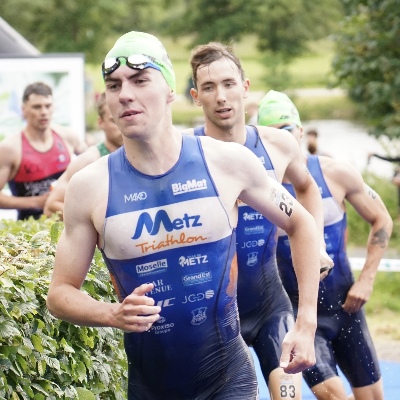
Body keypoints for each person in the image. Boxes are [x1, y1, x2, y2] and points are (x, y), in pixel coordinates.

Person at [46, 31, 322, 400]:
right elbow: (59, 294)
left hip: (229, 381)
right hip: (150, 386)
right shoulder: (89, 187)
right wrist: (112, 314)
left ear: (170, 90)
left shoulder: (227, 162)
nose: (125, 93)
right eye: (114, 85)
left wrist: (305, 322)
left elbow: (301, 222)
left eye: (140, 80)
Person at [185, 42, 333, 400]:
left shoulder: (278, 145)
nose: (221, 96)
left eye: (228, 84)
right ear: (196, 97)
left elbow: (307, 188)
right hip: (212, 316)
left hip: (269, 307)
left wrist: (318, 245)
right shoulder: (184, 153)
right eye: (209, 87)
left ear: (245, 87)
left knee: (289, 396)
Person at [258, 90, 393, 400]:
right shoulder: (259, 187)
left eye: (287, 131)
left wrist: (367, 280)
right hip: (300, 317)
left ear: (300, 131)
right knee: (332, 396)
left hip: (346, 308)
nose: (284, 141)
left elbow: (382, 220)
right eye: (274, 135)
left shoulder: (335, 173)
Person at [0, 81, 86, 220]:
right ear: (23, 109)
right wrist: (35, 202)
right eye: (37, 107)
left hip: (65, 221)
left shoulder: (68, 136)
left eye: (48, 106)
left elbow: (94, 167)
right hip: (30, 226)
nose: (44, 112)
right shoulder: (10, 148)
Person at [43, 93, 123, 220]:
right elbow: (51, 206)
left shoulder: (147, 155)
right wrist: (97, 221)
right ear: (100, 122)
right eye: (114, 121)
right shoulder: (89, 160)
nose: (122, 126)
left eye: (126, 117)